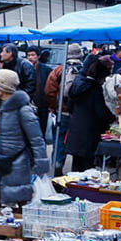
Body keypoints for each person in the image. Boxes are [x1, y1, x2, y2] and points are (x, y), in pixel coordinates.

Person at [0, 69, 49, 209]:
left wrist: (40, 166)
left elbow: (36, 139)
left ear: (3, 87)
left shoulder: (23, 110)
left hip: (17, 163)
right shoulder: (1, 107)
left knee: (19, 204)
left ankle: (12, 229)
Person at [66, 55, 115, 173]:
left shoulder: (76, 84)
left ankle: (73, 191)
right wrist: (113, 118)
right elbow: (101, 112)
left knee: (76, 168)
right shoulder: (94, 89)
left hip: (75, 131)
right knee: (88, 172)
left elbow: (70, 107)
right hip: (89, 134)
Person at [46, 45, 85, 174]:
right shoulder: (84, 70)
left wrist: (53, 107)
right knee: (78, 142)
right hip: (79, 114)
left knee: (59, 140)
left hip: (61, 112)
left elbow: (49, 91)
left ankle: (58, 164)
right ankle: (77, 171)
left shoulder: (58, 70)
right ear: (80, 55)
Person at [25, 46, 53, 118]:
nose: (30, 57)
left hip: (42, 103)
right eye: (28, 55)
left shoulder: (46, 70)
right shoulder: (24, 69)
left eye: (33, 55)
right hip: (28, 102)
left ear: (38, 56)